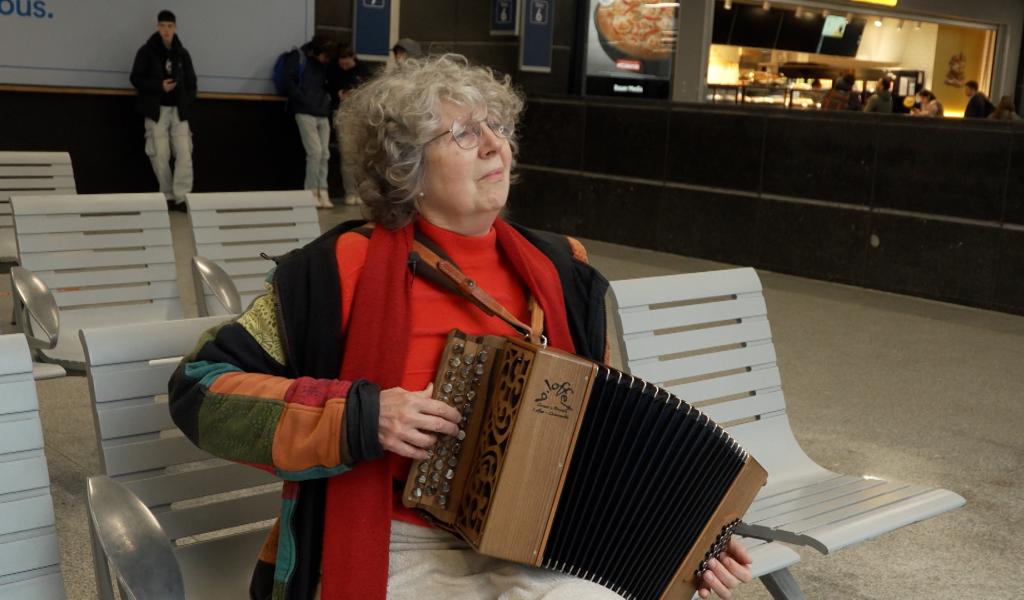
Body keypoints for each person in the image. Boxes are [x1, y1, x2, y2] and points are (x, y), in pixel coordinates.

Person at [168, 54, 753, 600]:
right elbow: (201, 391)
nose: (496, 146)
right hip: (394, 540)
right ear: (407, 167)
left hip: (542, 542)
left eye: (498, 128)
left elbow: (604, 442)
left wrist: (686, 542)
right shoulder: (332, 273)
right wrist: (361, 416)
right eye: (466, 133)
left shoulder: (562, 272)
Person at [130, 9, 197, 212]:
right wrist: (159, 86)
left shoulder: (182, 53)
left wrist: (185, 99)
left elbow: (192, 82)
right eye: (162, 26)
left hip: (179, 110)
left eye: (170, 26)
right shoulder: (146, 51)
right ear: (157, 27)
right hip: (156, 109)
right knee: (160, 153)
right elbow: (136, 78)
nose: (166, 30)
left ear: (174, 28)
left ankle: (182, 197)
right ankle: (167, 194)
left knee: (184, 152)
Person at [287, 34, 335, 209]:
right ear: (316, 51)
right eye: (324, 55)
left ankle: (323, 190)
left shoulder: (325, 64)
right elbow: (289, 82)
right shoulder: (298, 57)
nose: (325, 59)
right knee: (315, 152)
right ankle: (310, 192)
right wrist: (302, 99)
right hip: (305, 111)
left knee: (325, 154)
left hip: (322, 111)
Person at [326, 44, 371, 205]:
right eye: (342, 64)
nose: (344, 67)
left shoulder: (364, 70)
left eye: (347, 64)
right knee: (347, 156)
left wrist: (355, 94)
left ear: (354, 58)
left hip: (361, 115)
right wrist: (337, 94)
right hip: (343, 114)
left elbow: (371, 91)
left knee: (362, 156)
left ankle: (362, 192)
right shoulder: (333, 70)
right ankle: (350, 191)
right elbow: (327, 88)